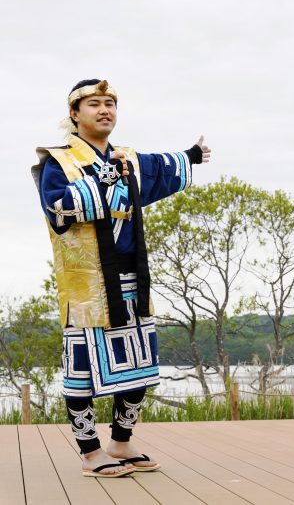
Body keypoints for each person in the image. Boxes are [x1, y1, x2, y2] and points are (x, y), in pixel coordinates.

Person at [31, 79, 211, 477]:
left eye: (110, 103)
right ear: (75, 114)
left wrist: (191, 155)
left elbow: (160, 167)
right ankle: (90, 451)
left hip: (133, 279)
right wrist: (106, 179)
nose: (104, 109)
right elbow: (58, 208)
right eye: (94, 103)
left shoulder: (127, 158)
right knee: (82, 371)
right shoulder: (57, 162)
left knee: (139, 366)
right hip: (87, 287)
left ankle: (122, 441)